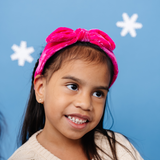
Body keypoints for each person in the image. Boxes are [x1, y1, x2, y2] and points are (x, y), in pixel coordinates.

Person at [9, 27, 143, 160]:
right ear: (41, 88)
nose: (85, 104)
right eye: (73, 87)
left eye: (97, 93)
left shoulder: (118, 148)